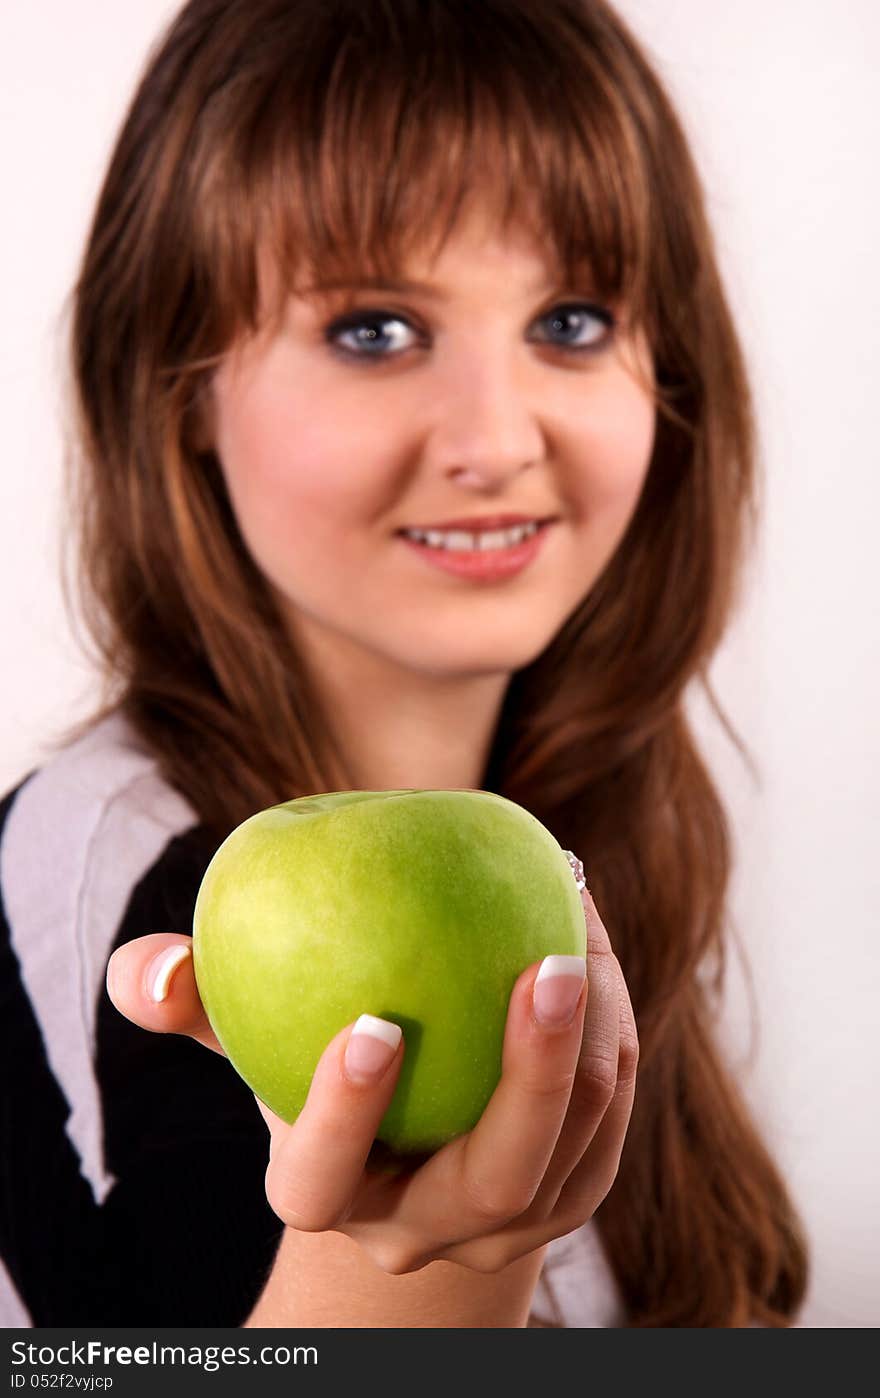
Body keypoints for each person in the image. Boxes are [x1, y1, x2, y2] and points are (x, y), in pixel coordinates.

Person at [0, 0, 809, 1327]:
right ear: (177, 382)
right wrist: (424, 1268)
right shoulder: (143, 903)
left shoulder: (599, 828)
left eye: (573, 319)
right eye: (376, 328)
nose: (497, 439)